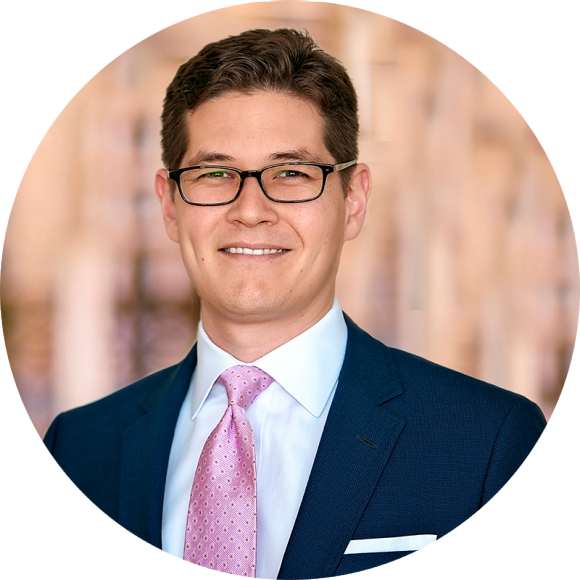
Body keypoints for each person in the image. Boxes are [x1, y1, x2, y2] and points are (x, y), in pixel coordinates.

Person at [43, 28, 546, 580]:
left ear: (353, 201)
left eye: (290, 173)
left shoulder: (488, 442)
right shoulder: (77, 451)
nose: (250, 210)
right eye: (215, 174)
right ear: (169, 204)